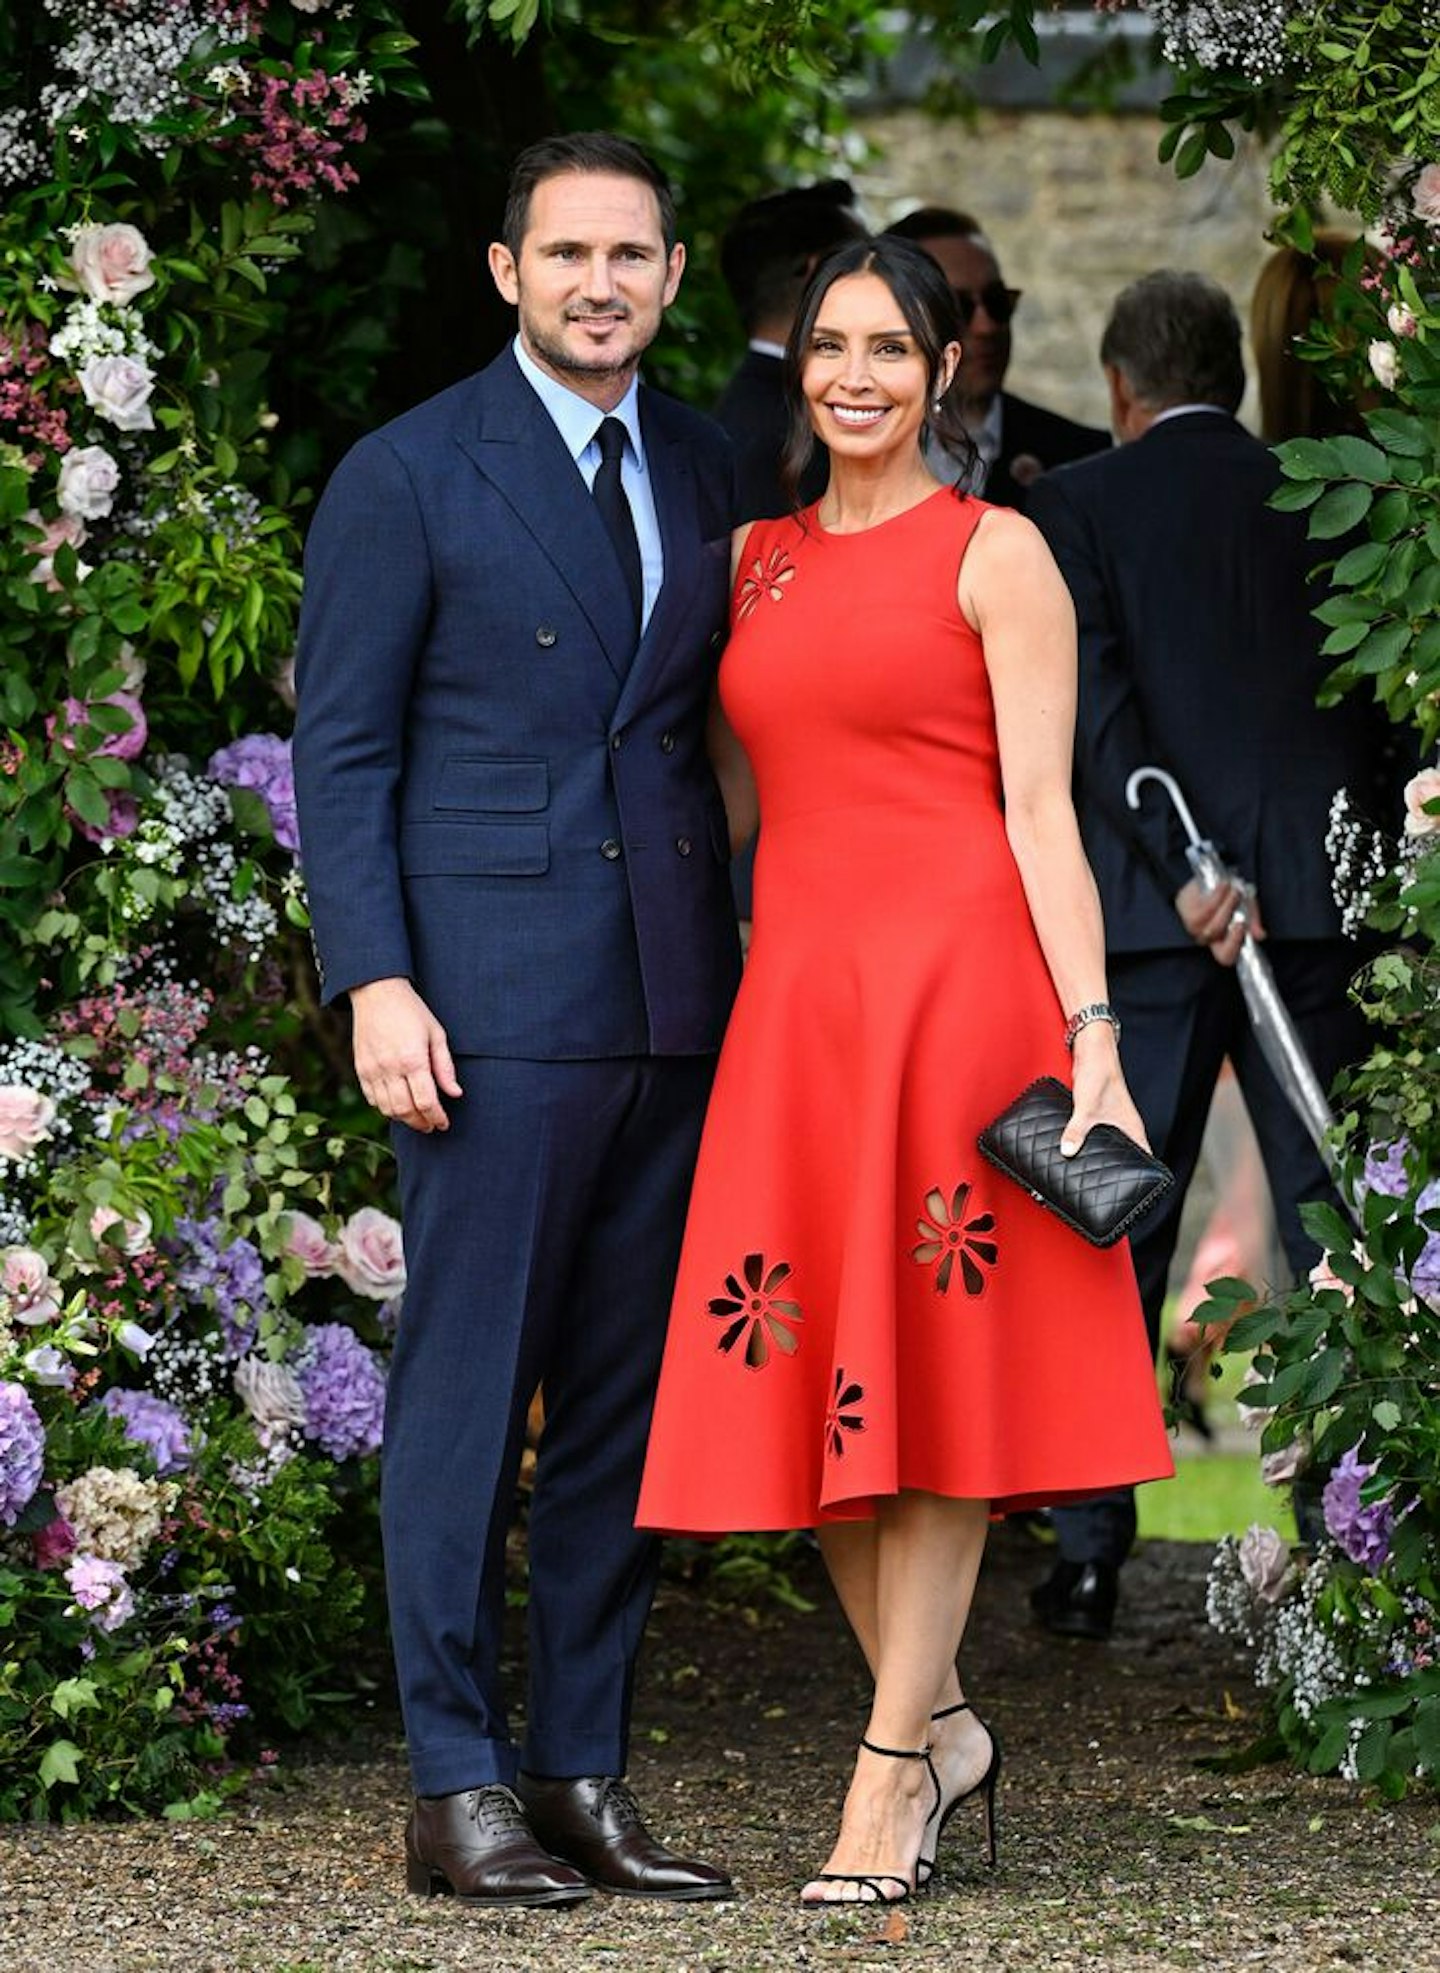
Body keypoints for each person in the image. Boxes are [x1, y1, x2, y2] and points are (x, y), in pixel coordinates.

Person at [637, 236, 1174, 1906]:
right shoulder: (748, 562)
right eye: (828, 345)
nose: (854, 374)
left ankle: (886, 1777)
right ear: (794, 363)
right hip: (796, 1018)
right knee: (805, 1393)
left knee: (927, 1399)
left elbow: (1043, 818)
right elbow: (724, 802)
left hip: (959, 1010)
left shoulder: (998, 551)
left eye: (890, 347)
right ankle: (939, 1718)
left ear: (945, 366)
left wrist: (1095, 1042)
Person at [292, 131, 742, 1910]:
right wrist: (374, 976)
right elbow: (344, 748)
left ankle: (578, 1770)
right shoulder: (409, 473)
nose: (599, 282)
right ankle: (454, 1781)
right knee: (471, 1402)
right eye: (567, 253)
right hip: (483, 1001)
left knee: (626, 1417)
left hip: (669, 992)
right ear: (505, 271)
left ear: (674, 275)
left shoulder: (706, 464)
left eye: (630, 254)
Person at [1026, 270, 1404, 1641]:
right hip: (1320, 901)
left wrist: (1179, 873)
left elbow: (1097, 716)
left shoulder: (1076, 507)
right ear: (1229, 379)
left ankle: (1084, 1548)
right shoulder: (1332, 488)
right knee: (1336, 1225)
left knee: (1110, 1222)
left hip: (1141, 920)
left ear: (1120, 389)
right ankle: (1354, 1521)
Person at [884, 205, 1109, 506]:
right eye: (958, 307)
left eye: (997, 302)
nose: (987, 326)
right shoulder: (831, 456)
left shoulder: (1078, 455)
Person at [715, 179, 869, 519]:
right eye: (866, 265)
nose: (882, 284)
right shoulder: (788, 438)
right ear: (819, 271)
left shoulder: (748, 413)